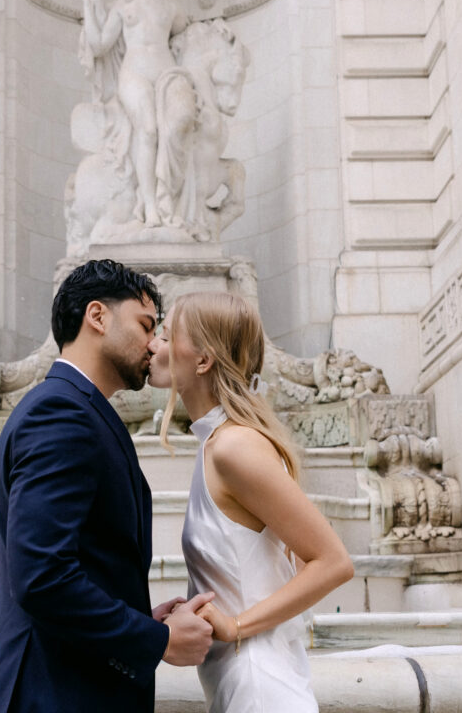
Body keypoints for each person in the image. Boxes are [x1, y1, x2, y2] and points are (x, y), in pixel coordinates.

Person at [0, 259, 214, 713]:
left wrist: (135, 619)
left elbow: (69, 567)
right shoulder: (61, 414)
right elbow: (42, 577)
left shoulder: (76, 409)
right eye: (146, 325)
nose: (154, 344)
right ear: (98, 316)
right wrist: (157, 640)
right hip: (54, 696)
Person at [148, 292, 355, 713]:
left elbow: (333, 562)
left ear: (202, 360)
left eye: (166, 335)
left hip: (260, 687)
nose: (153, 344)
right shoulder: (215, 442)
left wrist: (237, 624)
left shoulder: (233, 447)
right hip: (243, 681)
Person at [79, 0, 190, 228]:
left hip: (165, 73)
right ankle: (150, 206)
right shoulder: (123, 6)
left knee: (174, 130)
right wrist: (88, 6)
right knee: (149, 129)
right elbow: (100, 44)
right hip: (134, 73)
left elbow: (189, 38)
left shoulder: (172, 7)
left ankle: (171, 202)